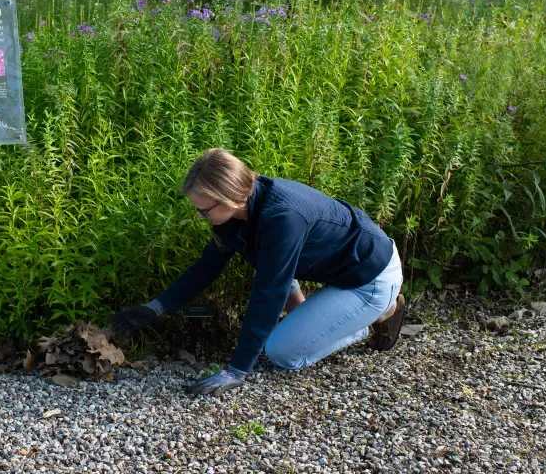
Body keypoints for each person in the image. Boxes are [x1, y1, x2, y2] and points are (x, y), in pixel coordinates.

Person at [109, 148, 405, 396]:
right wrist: (154, 308)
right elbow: (206, 267)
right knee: (274, 281)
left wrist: (237, 370)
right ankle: (320, 323)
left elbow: (269, 292)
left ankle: (380, 313)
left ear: (229, 198)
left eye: (203, 210)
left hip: (371, 277)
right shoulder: (237, 213)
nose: (200, 217)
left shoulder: (282, 218)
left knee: (282, 353)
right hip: (340, 270)